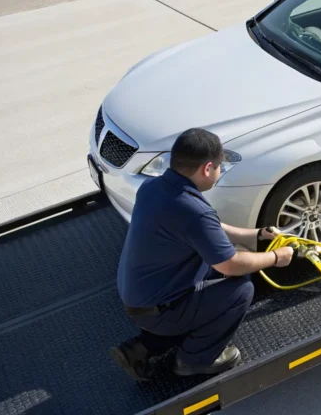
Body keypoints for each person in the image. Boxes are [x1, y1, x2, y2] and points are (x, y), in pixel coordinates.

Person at [109, 127, 294, 381]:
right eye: (220, 166)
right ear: (207, 168)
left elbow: (212, 229)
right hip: (159, 307)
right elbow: (230, 264)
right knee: (241, 289)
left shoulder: (154, 187)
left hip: (142, 295)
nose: (220, 172)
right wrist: (276, 258)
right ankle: (195, 360)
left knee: (214, 270)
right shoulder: (193, 211)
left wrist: (257, 234)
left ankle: (142, 348)